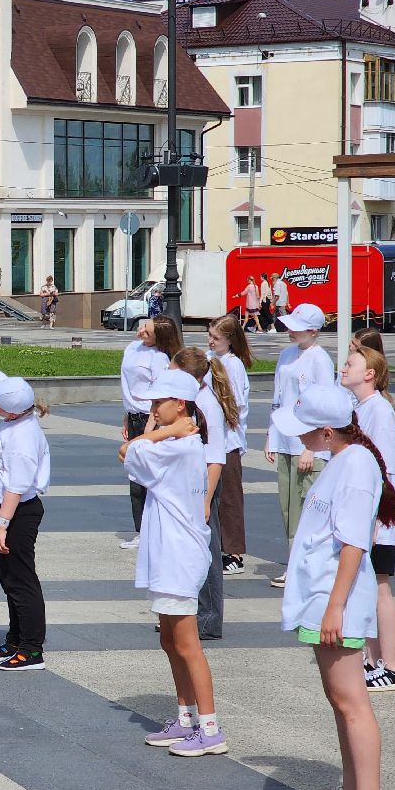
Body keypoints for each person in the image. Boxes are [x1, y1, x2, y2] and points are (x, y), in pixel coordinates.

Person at [273, 385, 395, 790]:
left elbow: (352, 545)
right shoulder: (342, 460)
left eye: (306, 432)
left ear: (327, 431)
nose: (299, 439)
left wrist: (335, 607)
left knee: (352, 703)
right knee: (340, 701)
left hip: (336, 600)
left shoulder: (357, 466)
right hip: (324, 598)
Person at [121, 369, 227, 758]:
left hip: (180, 554)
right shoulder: (181, 443)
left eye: (158, 404)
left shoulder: (179, 447)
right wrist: (165, 429)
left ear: (180, 405)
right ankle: (185, 719)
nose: (152, 410)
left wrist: (161, 432)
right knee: (170, 640)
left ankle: (210, 728)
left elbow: (130, 452)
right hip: (170, 551)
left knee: (187, 644)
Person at [0, 368, 51, 670]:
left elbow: (17, 487)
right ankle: (16, 638)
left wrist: (3, 525)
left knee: (21, 581)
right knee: (9, 579)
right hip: (5, 510)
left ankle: (32, 649)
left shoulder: (23, 436)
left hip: (18, 512)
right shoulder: (14, 422)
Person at [343, 346, 395, 692]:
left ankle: (392, 667)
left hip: (379, 516)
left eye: (351, 363)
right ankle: (373, 659)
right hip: (368, 514)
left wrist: (377, 519)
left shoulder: (378, 410)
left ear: (369, 374)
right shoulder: (362, 408)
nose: (344, 367)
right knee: (369, 588)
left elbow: (382, 468)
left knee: (381, 588)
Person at [266, 303, 335, 587]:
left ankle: (304, 565)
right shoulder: (286, 355)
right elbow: (278, 397)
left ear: (313, 331)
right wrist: (272, 435)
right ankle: (294, 560)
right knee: (287, 506)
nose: (290, 332)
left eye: (297, 328)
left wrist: (312, 447)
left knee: (306, 506)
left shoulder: (320, 359)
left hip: (307, 444)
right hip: (285, 439)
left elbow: (324, 406)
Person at [172, 348, 239, 640]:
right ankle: (189, 613)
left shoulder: (207, 405)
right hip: (188, 482)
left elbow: (216, 459)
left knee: (207, 551)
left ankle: (209, 618)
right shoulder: (190, 401)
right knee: (191, 550)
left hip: (203, 485)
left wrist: (205, 500)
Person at [119, 316, 182, 549]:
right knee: (134, 476)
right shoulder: (132, 348)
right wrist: (126, 415)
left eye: (149, 331)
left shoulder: (159, 357)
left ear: (160, 337)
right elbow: (128, 386)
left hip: (150, 419)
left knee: (149, 476)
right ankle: (142, 529)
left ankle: (154, 529)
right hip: (134, 415)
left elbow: (159, 392)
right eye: (144, 326)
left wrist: (150, 426)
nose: (142, 331)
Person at [208, 315, 253, 576]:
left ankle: (234, 552)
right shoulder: (210, 357)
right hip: (212, 440)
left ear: (230, 339)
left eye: (216, 337)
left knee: (230, 498)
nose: (211, 340)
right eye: (210, 335)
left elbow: (235, 403)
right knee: (214, 496)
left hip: (228, 441)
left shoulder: (233, 365)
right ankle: (219, 546)